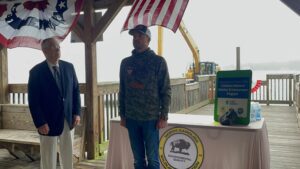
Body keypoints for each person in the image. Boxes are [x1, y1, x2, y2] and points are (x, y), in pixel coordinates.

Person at [118, 24, 171, 169]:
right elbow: (122, 90)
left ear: (148, 39)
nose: (136, 39)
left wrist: (163, 116)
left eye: (140, 35)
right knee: (138, 160)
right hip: (131, 118)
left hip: (151, 119)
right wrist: (122, 115)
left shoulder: (159, 62)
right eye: (134, 36)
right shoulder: (125, 63)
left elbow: (165, 90)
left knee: (153, 160)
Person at [28, 38, 81, 169]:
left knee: (67, 153)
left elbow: (75, 91)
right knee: (48, 155)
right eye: (53, 46)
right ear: (45, 51)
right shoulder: (36, 72)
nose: (58, 48)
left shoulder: (69, 67)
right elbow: (33, 100)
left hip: (68, 118)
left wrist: (77, 113)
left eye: (58, 46)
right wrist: (40, 122)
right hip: (47, 121)